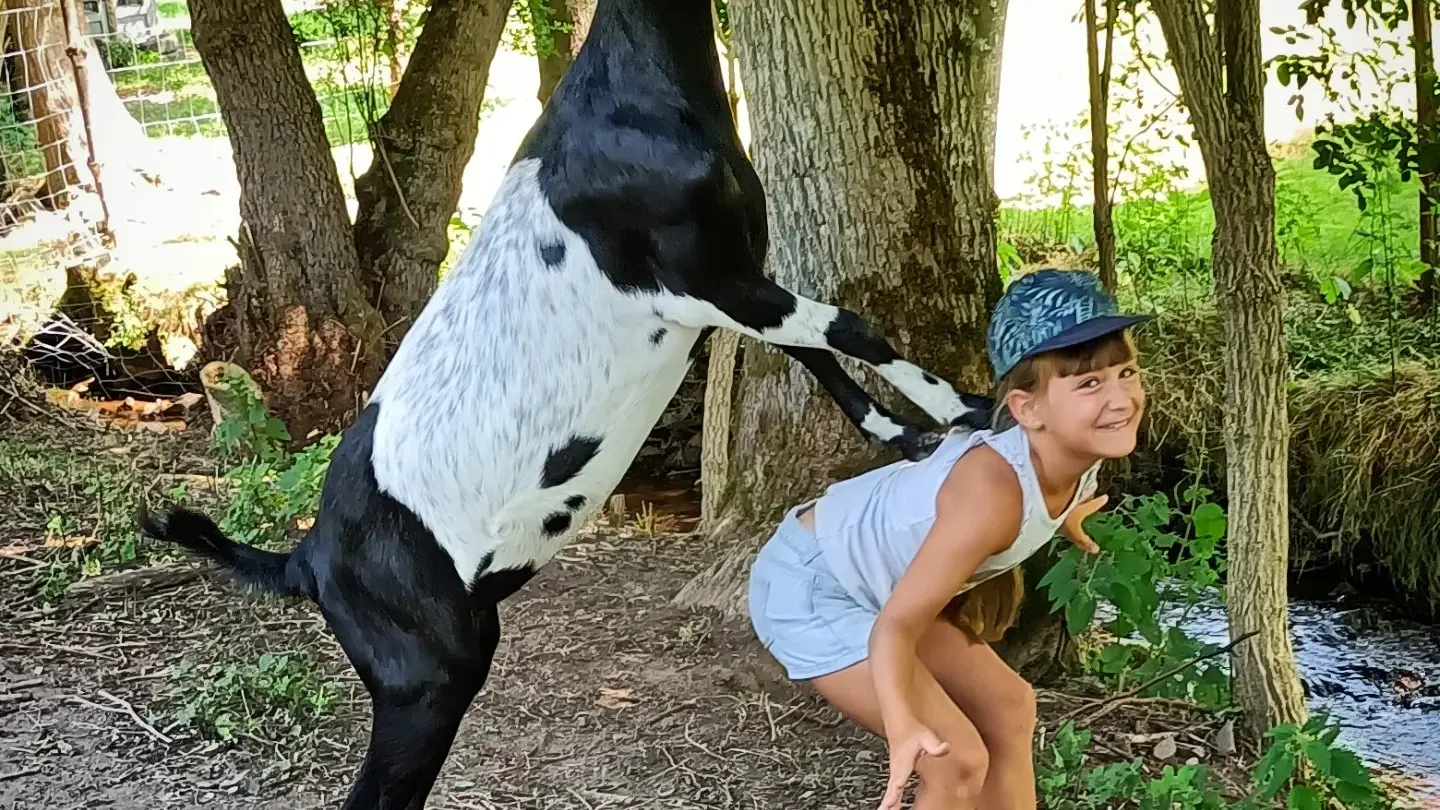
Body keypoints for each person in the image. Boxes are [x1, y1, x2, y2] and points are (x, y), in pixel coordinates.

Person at [747, 269, 1149, 810]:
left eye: (1127, 373)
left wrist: (1069, 516)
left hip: (879, 585)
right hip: (815, 585)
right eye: (1089, 384)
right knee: (955, 761)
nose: (1121, 399)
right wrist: (903, 721)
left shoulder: (1080, 450)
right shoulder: (990, 494)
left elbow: (1045, 495)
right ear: (1028, 410)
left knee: (1009, 709)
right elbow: (896, 627)